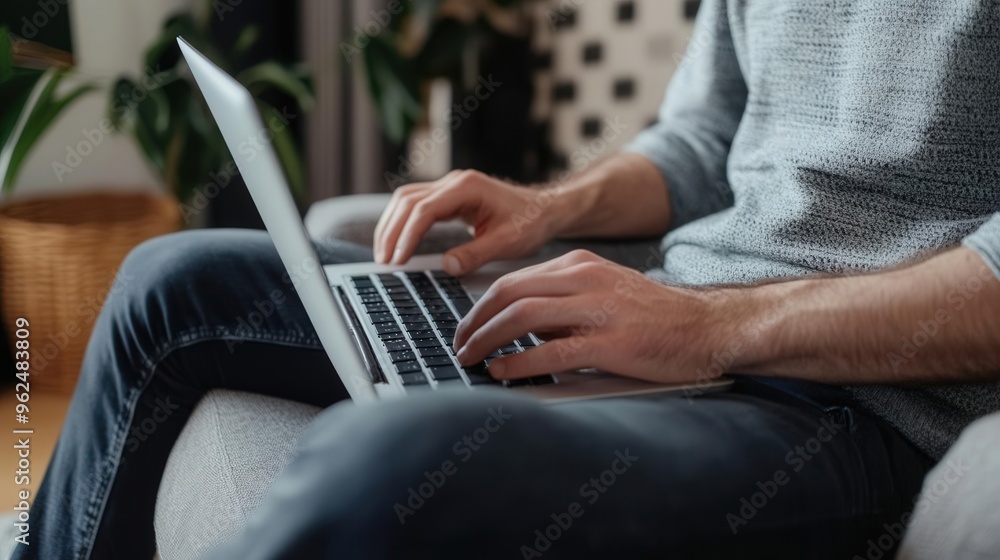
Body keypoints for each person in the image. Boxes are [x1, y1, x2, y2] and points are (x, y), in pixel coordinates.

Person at [15, 0, 1000, 558]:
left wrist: (707, 327)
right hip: (677, 315)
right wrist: (550, 207)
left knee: (383, 455)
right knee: (172, 276)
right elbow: (703, 139)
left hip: (840, 408)